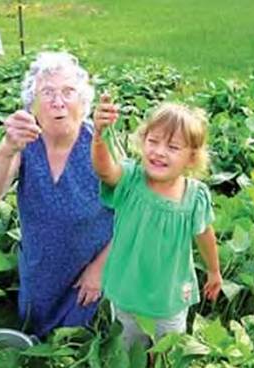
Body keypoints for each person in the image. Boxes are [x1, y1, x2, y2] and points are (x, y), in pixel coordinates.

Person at [0, 52, 113, 338]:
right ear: (32, 104)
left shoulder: (100, 144)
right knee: (35, 339)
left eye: (68, 92)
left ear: (83, 102)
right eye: (46, 92)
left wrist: (101, 268)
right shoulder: (25, 143)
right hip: (41, 274)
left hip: (90, 278)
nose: (57, 102)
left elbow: (134, 214)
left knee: (79, 345)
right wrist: (6, 148)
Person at [92, 96, 222, 349]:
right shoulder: (130, 180)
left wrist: (214, 270)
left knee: (167, 351)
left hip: (169, 299)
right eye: (153, 141)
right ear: (142, 142)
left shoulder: (195, 196)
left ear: (191, 158)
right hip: (127, 294)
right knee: (128, 351)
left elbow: (204, 234)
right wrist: (99, 136)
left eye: (173, 147)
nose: (159, 152)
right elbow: (105, 170)